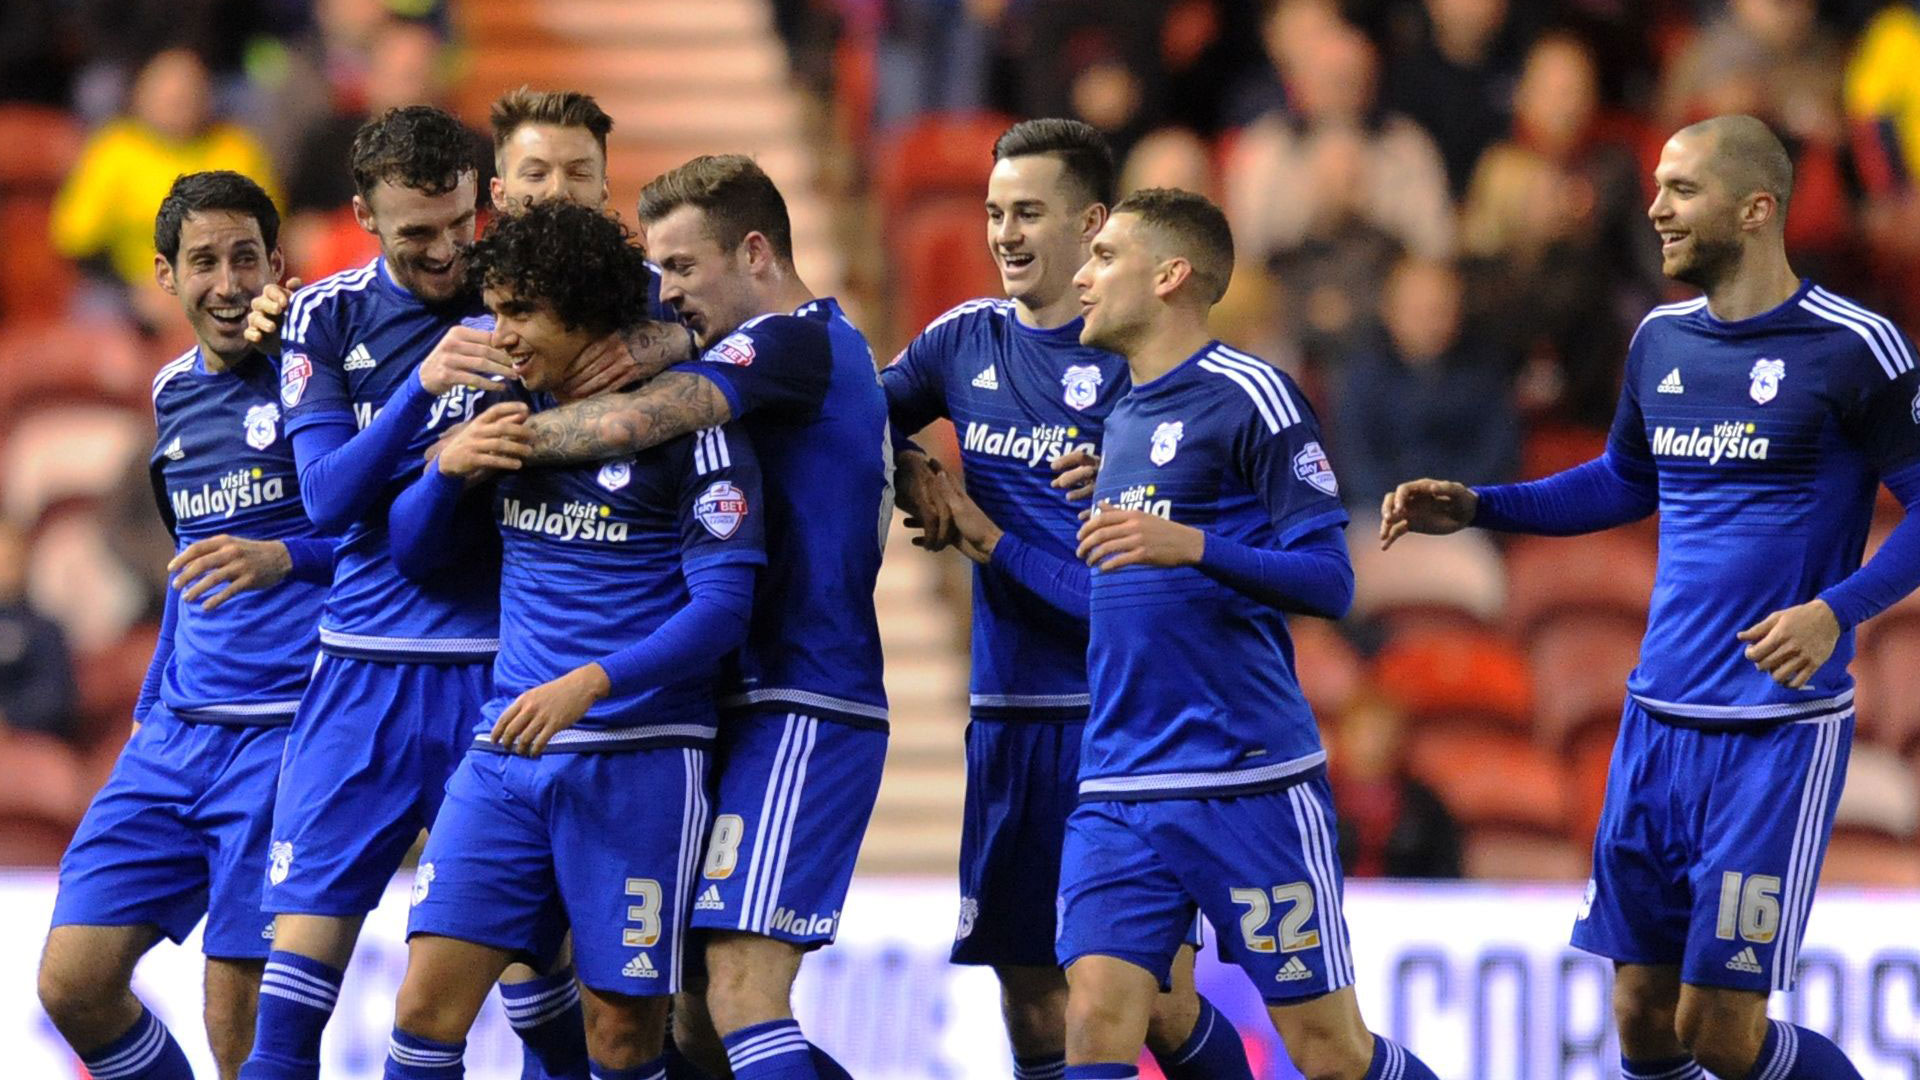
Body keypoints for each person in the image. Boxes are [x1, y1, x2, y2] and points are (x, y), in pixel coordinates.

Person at [1380, 115, 1920, 1080]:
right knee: (1639, 1015)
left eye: (1681, 190)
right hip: (1655, 718)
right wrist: (1480, 505)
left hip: (1773, 730)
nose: (1655, 207)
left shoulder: (1855, 347)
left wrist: (1837, 610)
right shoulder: (1661, 341)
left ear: (1757, 210)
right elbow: (1624, 480)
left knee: (1722, 1027)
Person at [885, 118, 1253, 1080]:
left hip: (1121, 723)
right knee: (1028, 994)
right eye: (994, 212)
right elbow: (847, 418)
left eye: (1030, 213)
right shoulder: (960, 341)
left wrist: (985, 536)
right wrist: (911, 459)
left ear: (1092, 223)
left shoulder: (1144, 377)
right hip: (1009, 715)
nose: (1005, 234)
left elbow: (1131, 599)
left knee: (1155, 1006)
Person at [508, 154, 889, 1080]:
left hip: (803, 696)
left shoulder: (798, 339)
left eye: (682, 268)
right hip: (731, 700)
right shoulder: (783, 355)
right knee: (698, 1028)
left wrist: (484, 445)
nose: (666, 293)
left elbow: (631, 428)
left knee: (742, 995)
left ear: (754, 251)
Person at [1057, 187, 1441, 1080]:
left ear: (1170, 275)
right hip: (1119, 777)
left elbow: (1330, 579)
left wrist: (1190, 543)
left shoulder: (1254, 394)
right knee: (1096, 1022)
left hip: (1247, 781)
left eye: (1105, 256)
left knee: (1330, 1053)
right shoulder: (1118, 413)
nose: (1081, 276)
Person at [378, 200, 765, 1080]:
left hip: (639, 763)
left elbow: (720, 612)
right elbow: (417, 556)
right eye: (496, 308)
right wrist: (445, 472)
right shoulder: (500, 416)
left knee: (623, 1038)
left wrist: (590, 682)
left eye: (520, 313)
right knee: (423, 1010)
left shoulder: (692, 430)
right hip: (507, 755)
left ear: (586, 316)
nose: (499, 333)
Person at [237, 106, 585, 1080]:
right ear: (363, 216)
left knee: (542, 1004)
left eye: (460, 223)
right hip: (362, 683)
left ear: (483, 200)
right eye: (415, 234)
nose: (445, 253)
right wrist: (422, 389)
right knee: (288, 1015)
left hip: (501, 681)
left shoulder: (526, 296)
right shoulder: (324, 314)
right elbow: (326, 498)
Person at [38, 170, 335, 1080]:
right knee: (72, 986)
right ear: (164, 276)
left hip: (285, 734)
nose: (228, 281)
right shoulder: (169, 394)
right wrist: (157, 690)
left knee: (237, 1024)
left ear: (277, 265)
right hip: (175, 734)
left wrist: (288, 558)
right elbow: (190, 565)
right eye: (202, 261)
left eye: (246, 257)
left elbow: (395, 534)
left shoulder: (322, 374)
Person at [51, 49, 280, 298]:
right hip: (131, 290)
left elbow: (267, 236)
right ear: (140, 94)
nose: (177, 102)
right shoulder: (113, 149)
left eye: (187, 93)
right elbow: (76, 243)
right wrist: (137, 289)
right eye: (167, 94)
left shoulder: (238, 149)